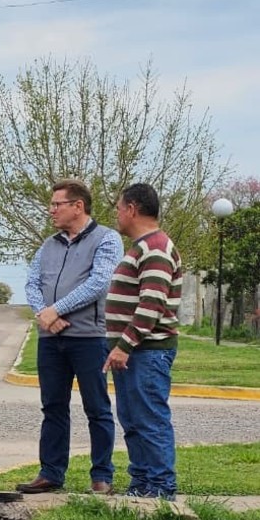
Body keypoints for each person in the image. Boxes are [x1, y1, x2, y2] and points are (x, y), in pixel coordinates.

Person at [16, 179, 124, 495]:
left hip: (89, 338)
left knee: (97, 407)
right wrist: (46, 315)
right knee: (53, 407)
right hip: (51, 339)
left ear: (78, 206)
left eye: (56, 204)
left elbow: (100, 283)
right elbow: (32, 283)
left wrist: (57, 309)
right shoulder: (49, 245)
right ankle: (51, 472)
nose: (51, 210)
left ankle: (102, 475)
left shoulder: (107, 240)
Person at [102, 183, 183, 501]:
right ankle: (141, 483)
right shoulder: (142, 246)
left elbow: (151, 304)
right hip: (133, 352)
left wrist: (124, 345)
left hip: (147, 353)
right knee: (133, 419)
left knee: (150, 418)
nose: (117, 215)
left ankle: (161, 487)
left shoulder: (157, 248)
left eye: (119, 208)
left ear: (132, 208)